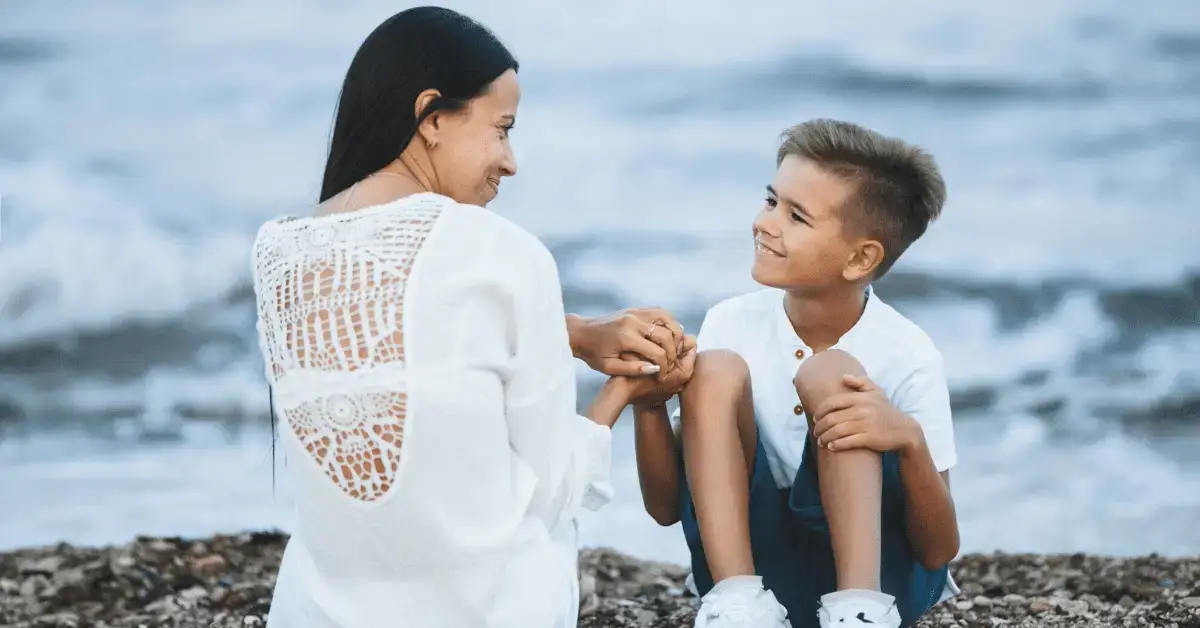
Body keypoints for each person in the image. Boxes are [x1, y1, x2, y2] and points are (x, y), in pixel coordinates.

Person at [249, 8, 695, 627]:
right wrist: (624, 391)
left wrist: (567, 333)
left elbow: (400, 336)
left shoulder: (277, 252)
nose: (510, 161)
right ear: (432, 117)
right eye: (502, 129)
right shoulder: (503, 251)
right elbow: (552, 494)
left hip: (317, 614)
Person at [633, 119, 961, 628]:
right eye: (771, 201)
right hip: (763, 577)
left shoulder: (908, 352)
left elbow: (938, 549)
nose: (764, 223)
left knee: (834, 375)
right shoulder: (728, 324)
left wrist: (909, 441)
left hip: (884, 582)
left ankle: (858, 609)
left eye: (796, 216)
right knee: (715, 370)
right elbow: (665, 508)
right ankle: (738, 604)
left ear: (860, 258)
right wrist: (649, 404)